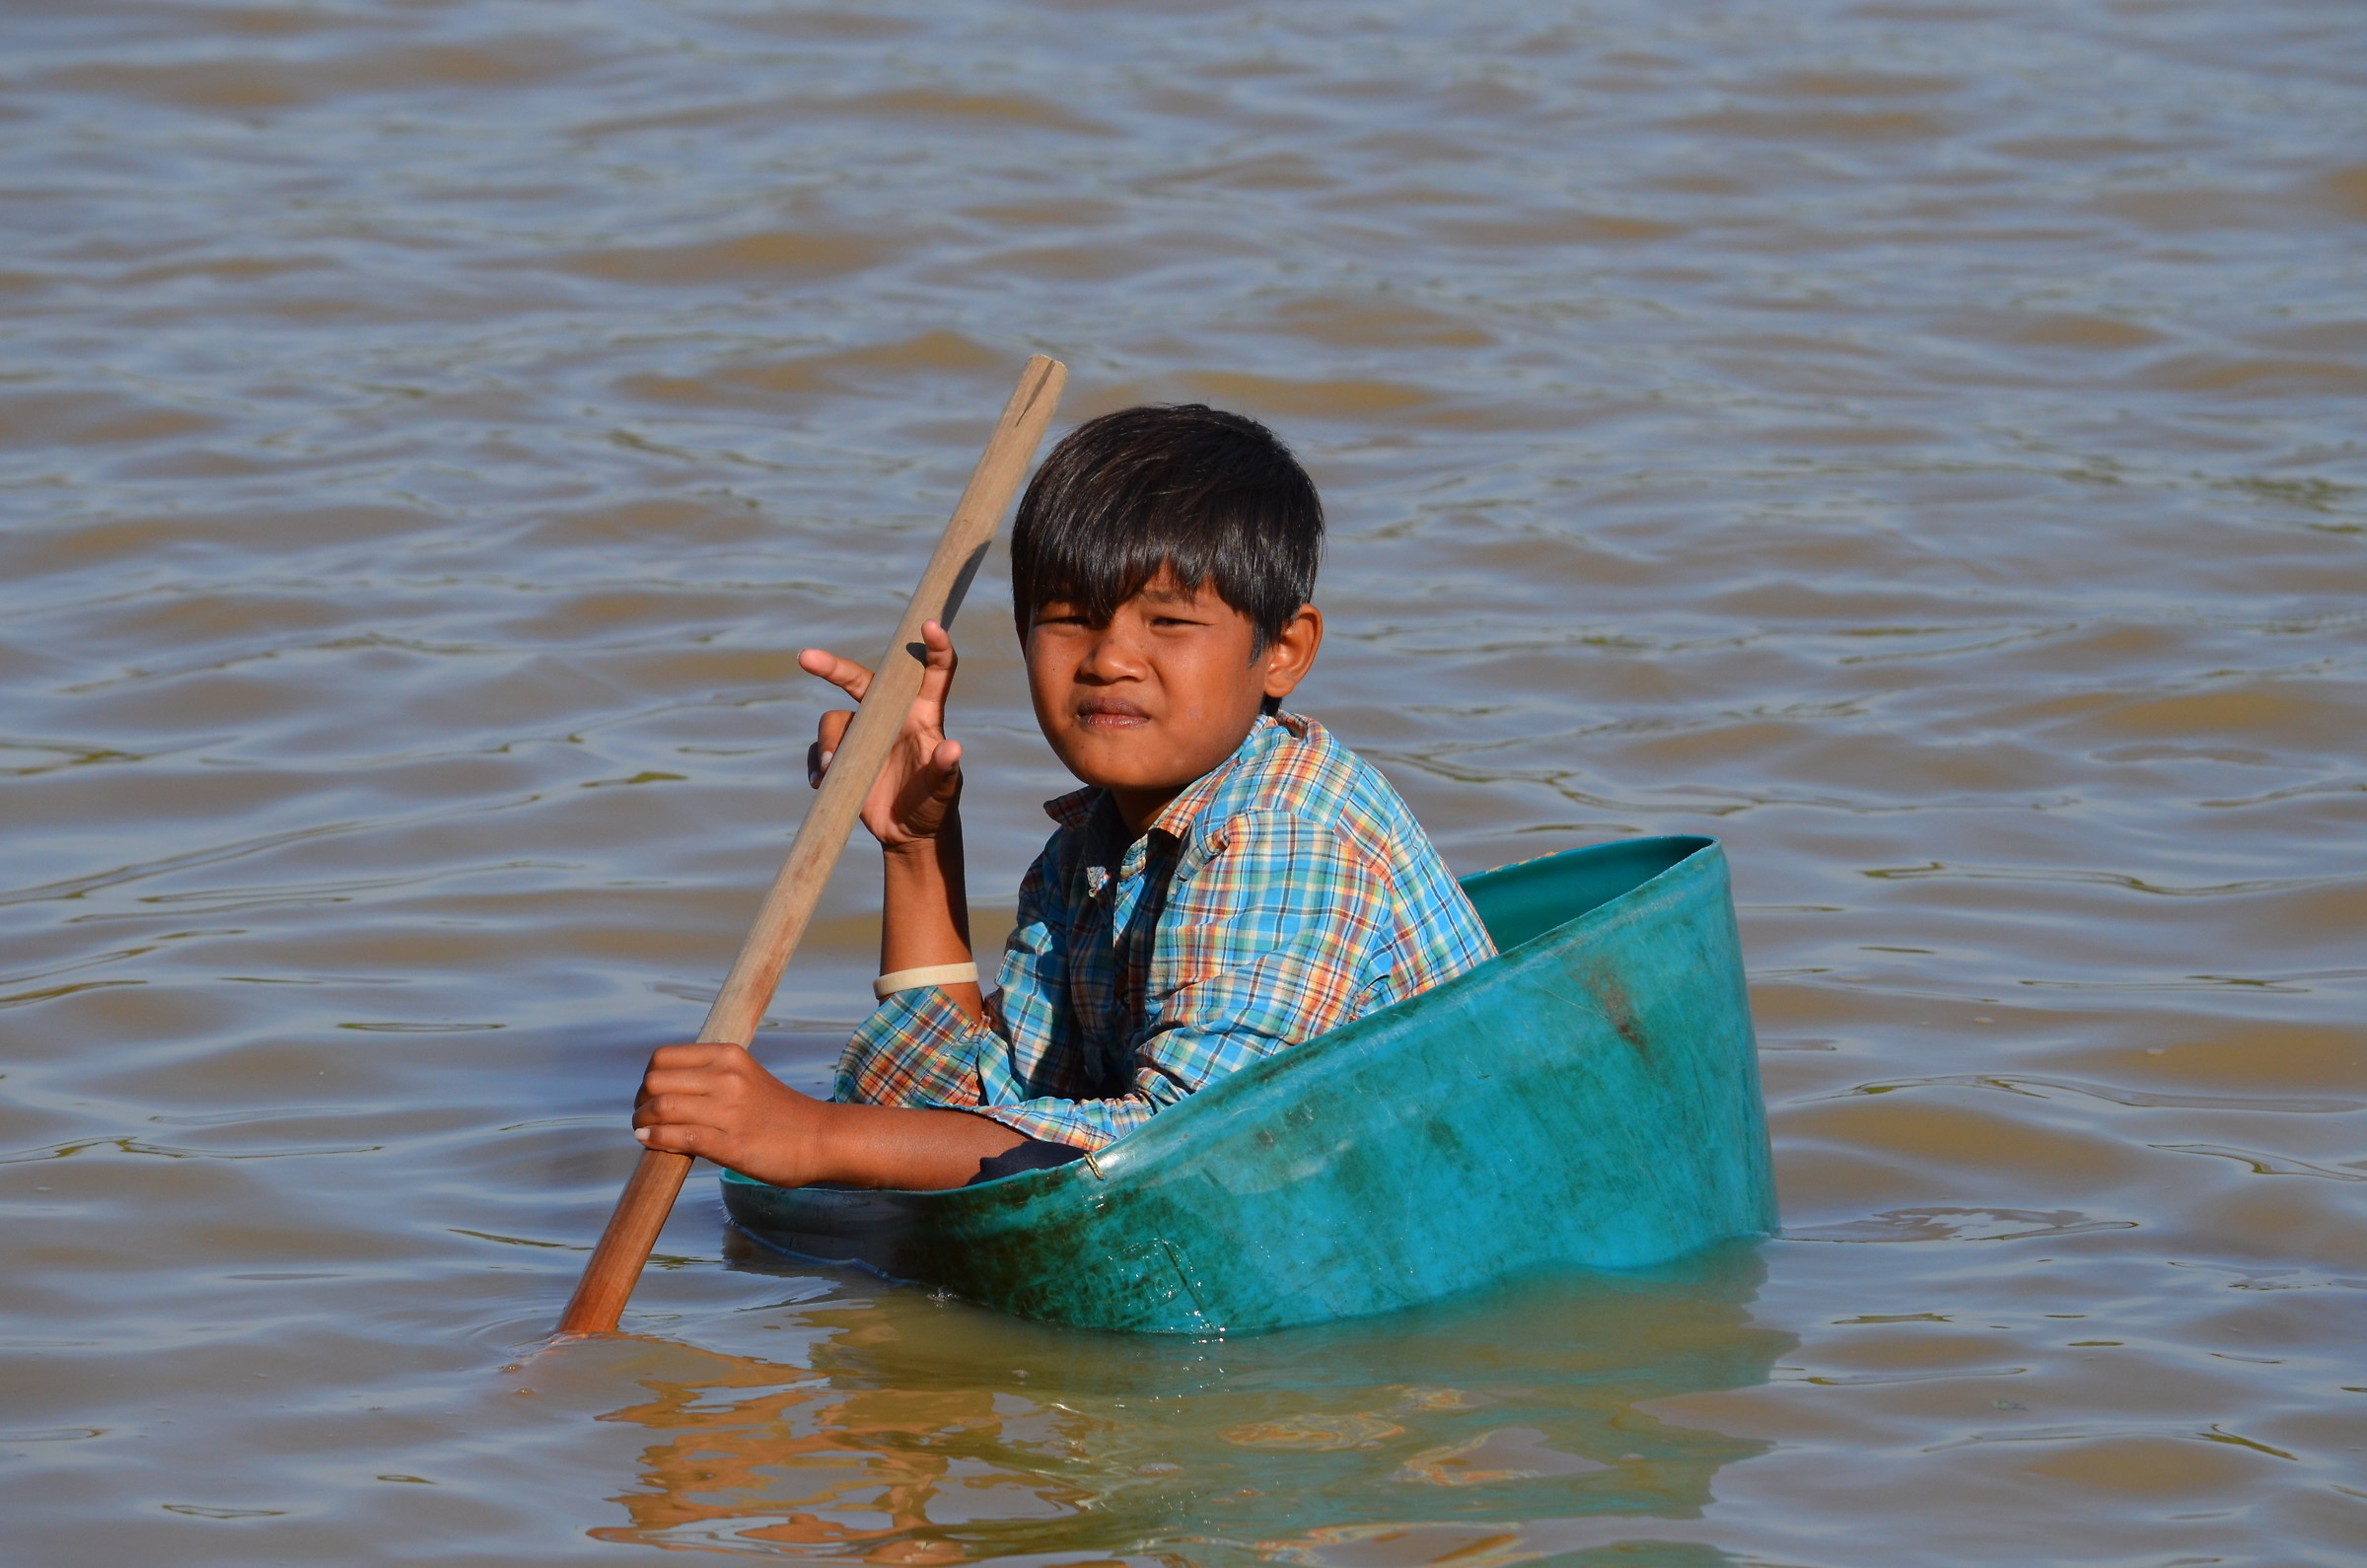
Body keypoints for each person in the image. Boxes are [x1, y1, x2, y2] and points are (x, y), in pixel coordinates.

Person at [631, 404, 1496, 1190]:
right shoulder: (1089, 849)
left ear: (1283, 651)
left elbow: (1192, 1152)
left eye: (1169, 622)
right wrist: (917, 848)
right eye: (1070, 615)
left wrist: (817, 1138)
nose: (1109, 658)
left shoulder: (1283, 832)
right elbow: (968, 1105)